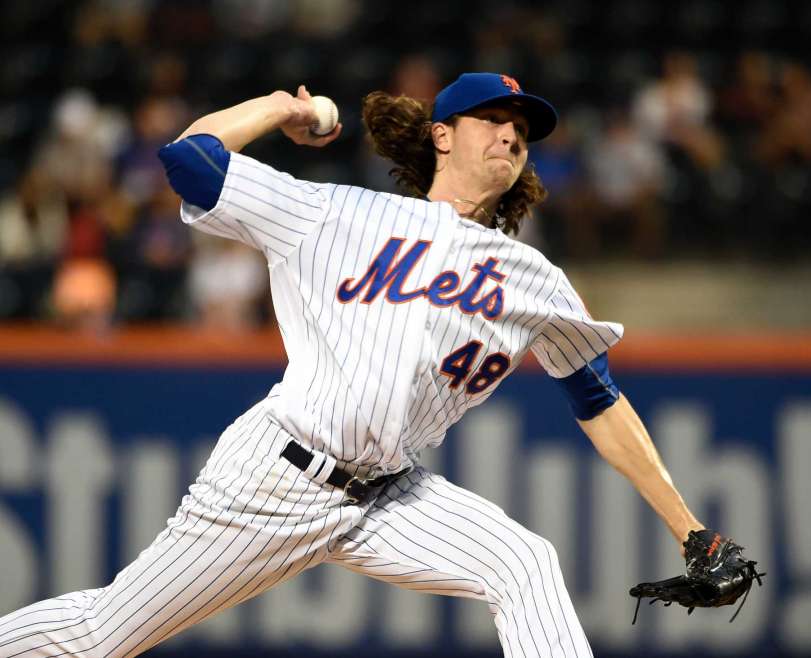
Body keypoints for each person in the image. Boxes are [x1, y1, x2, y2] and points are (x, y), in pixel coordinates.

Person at [0, 73, 708, 657]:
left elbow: (600, 401)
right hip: (274, 479)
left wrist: (691, 532)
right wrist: (280, 108)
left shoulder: (533, 278)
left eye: (521, 128)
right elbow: (189, 160)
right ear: (441, 135)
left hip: (388, 495)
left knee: (523, 564)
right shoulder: (332, 214)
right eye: (492, 118)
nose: (511, 134)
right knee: (102, 637)